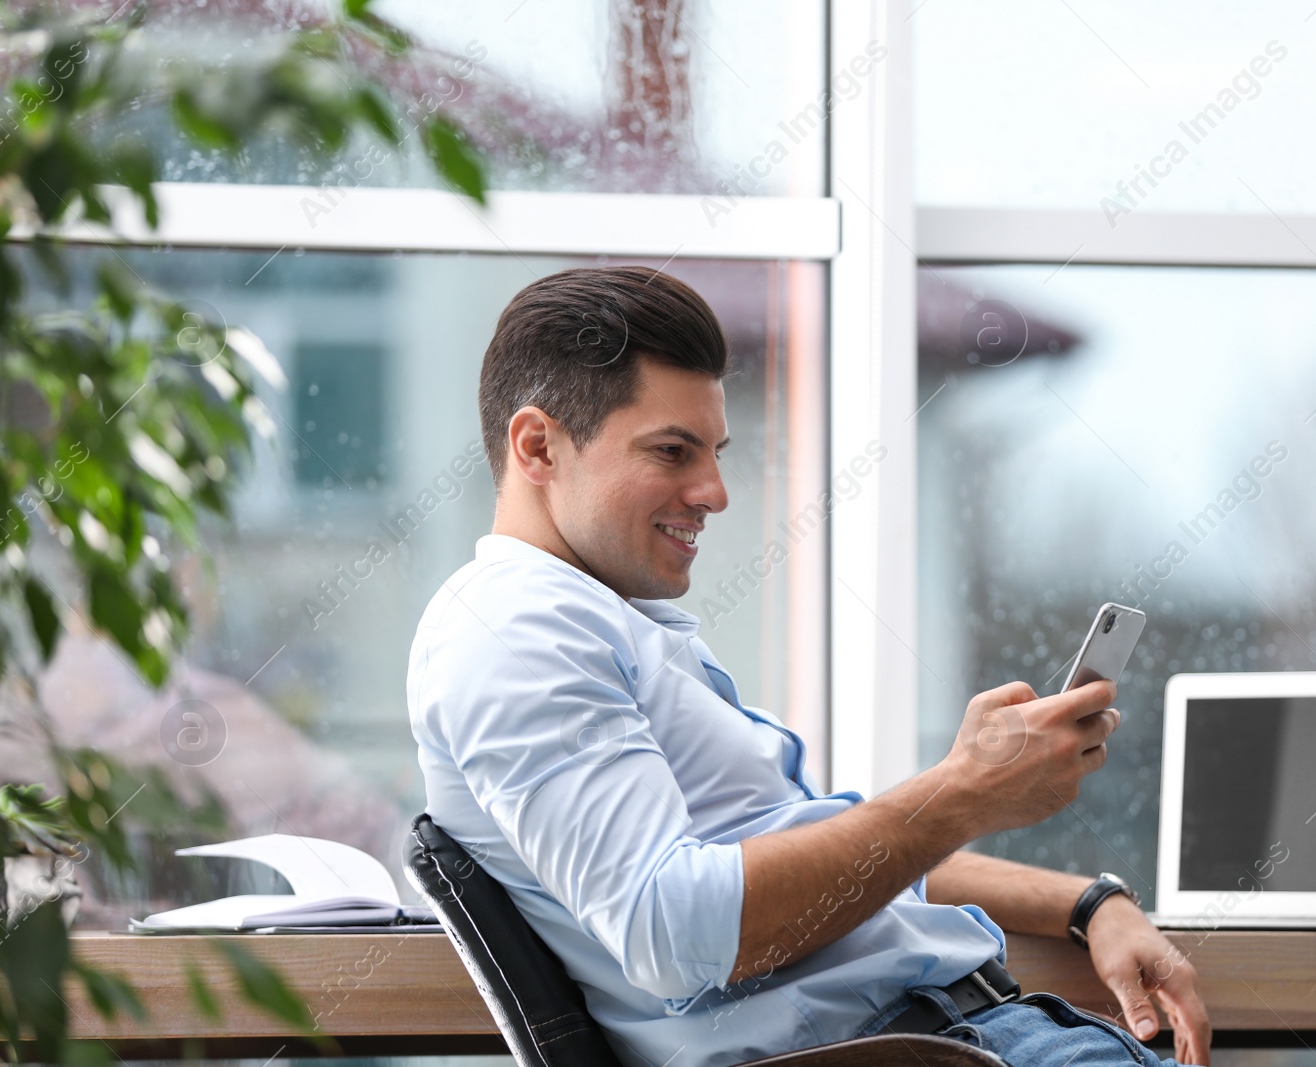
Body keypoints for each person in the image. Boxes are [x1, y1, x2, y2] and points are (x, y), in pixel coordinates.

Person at [407, 266, 1211, 1067]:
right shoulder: (515, 629)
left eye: (715, 451)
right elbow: (672, 928)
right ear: (538, 445)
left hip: (978, 1034)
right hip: (922, 1048)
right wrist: (960, 792)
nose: (714, 491)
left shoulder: (599, 622)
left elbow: (848, 868)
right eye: (673, 450)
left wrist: (1086, 903)